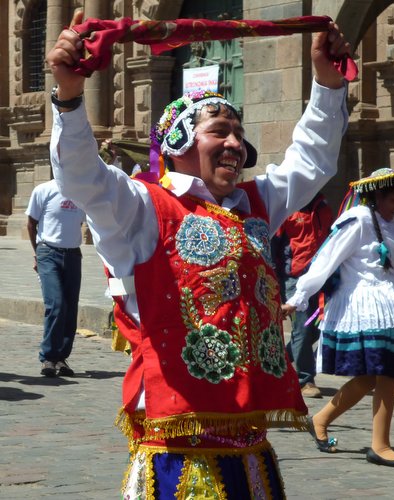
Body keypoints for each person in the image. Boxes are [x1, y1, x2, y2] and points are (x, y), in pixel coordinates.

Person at [46, 9, 351, 498]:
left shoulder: (256, 204)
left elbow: (312, 159)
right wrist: (69, 98)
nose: (235, 142)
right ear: (180, 141)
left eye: (238, 131)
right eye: (219, 130)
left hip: (251, 444)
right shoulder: (143, 208)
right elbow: (84, 178)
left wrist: (328, 85)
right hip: (179, 445)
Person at [283, 168, 394, 468]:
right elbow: (326, 259)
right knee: (387, 373)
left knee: (371, 377)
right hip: (368, 310)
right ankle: (380, 445)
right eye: (393, 198)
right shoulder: (359, 220)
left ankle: (321, 419)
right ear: (376, 196)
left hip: (393, 308)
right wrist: (299, 297)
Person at [271, 192, 333, 398]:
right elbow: (274, 246)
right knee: (302, 330)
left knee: (313, 330)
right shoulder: (287, 210)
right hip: (295, 278)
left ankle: (277, 361)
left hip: (321, 277)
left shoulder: (323, 207)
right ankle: (305, 380)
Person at [26, 178, 85, 377]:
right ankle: (48, 357)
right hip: (48, 252)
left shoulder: (82, 193)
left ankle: (61, 357)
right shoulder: (43, 190)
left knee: (70, 307)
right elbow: (31, 224)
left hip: (73, 255)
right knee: (56, 303)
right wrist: (38, 253)